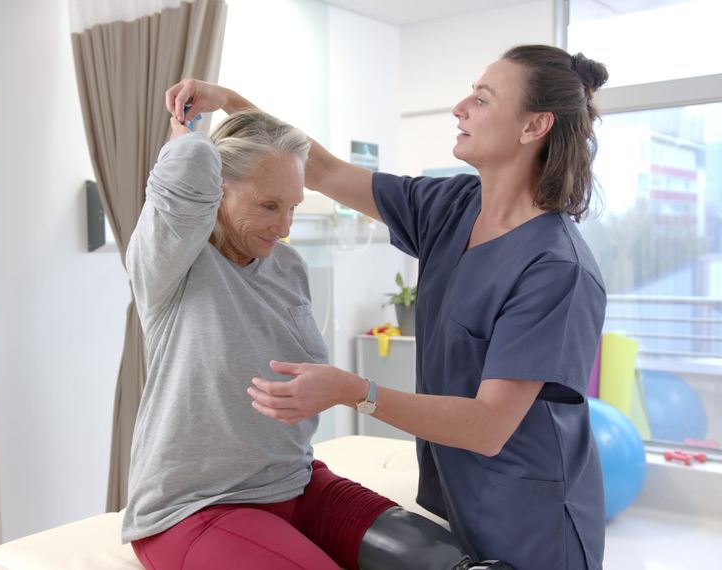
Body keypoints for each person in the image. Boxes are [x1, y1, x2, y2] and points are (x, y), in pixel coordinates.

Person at [166, 44, 609, 569]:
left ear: (534, 126)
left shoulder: (557, 269)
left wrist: (355, 390)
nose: (460, 108)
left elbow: (489, 427)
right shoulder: (451, 207)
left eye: (482, 99)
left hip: (532, 519)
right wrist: (230, 101)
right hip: (461, 497)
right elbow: (323, 170)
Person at [122, 109, 506, 569]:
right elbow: (181, 179)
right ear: (216, 189)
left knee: (453, 563)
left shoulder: (287, 267)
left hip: (297, 485)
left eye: (292, 207)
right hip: (196, 506)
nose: (284, 228)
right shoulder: (173, 263)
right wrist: (186, 136)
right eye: (268, 206)